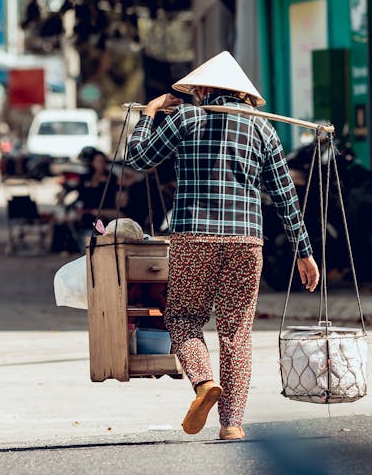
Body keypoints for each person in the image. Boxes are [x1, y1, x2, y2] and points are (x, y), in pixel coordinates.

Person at [126, 50, 320, 441]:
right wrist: (304, 251)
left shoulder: (185, 118)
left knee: (182, 319)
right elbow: (285, 195)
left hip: (194, 237)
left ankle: (203, 383)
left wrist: (148, 114)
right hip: (246, 241)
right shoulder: (263, 130)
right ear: (242, 94)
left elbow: (137, 158)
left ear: (203, 88)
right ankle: (232, 424)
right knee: (236, 333)